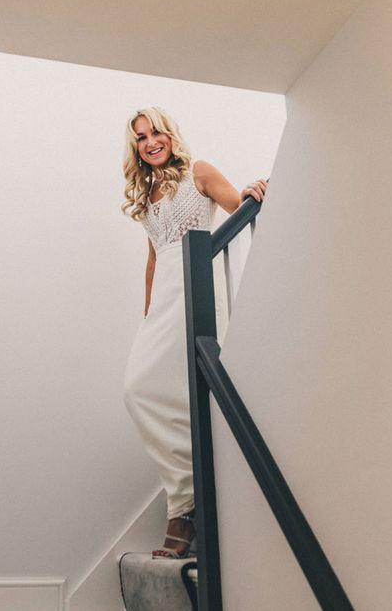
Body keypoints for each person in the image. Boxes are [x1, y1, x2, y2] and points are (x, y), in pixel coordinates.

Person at [121, 106, 267, 559]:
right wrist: (147, 314)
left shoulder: (198, 172)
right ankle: (188, 494)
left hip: (197, 287)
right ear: (137, 150)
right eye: (141, 138)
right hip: (164, 295)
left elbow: (234, 206)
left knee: (196, 391)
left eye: (156, 132)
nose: (151, 141)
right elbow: (152, 258)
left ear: (170, 134)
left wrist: (249, 192)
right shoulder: (146, 195)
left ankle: (183, 509)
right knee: (139, 389)